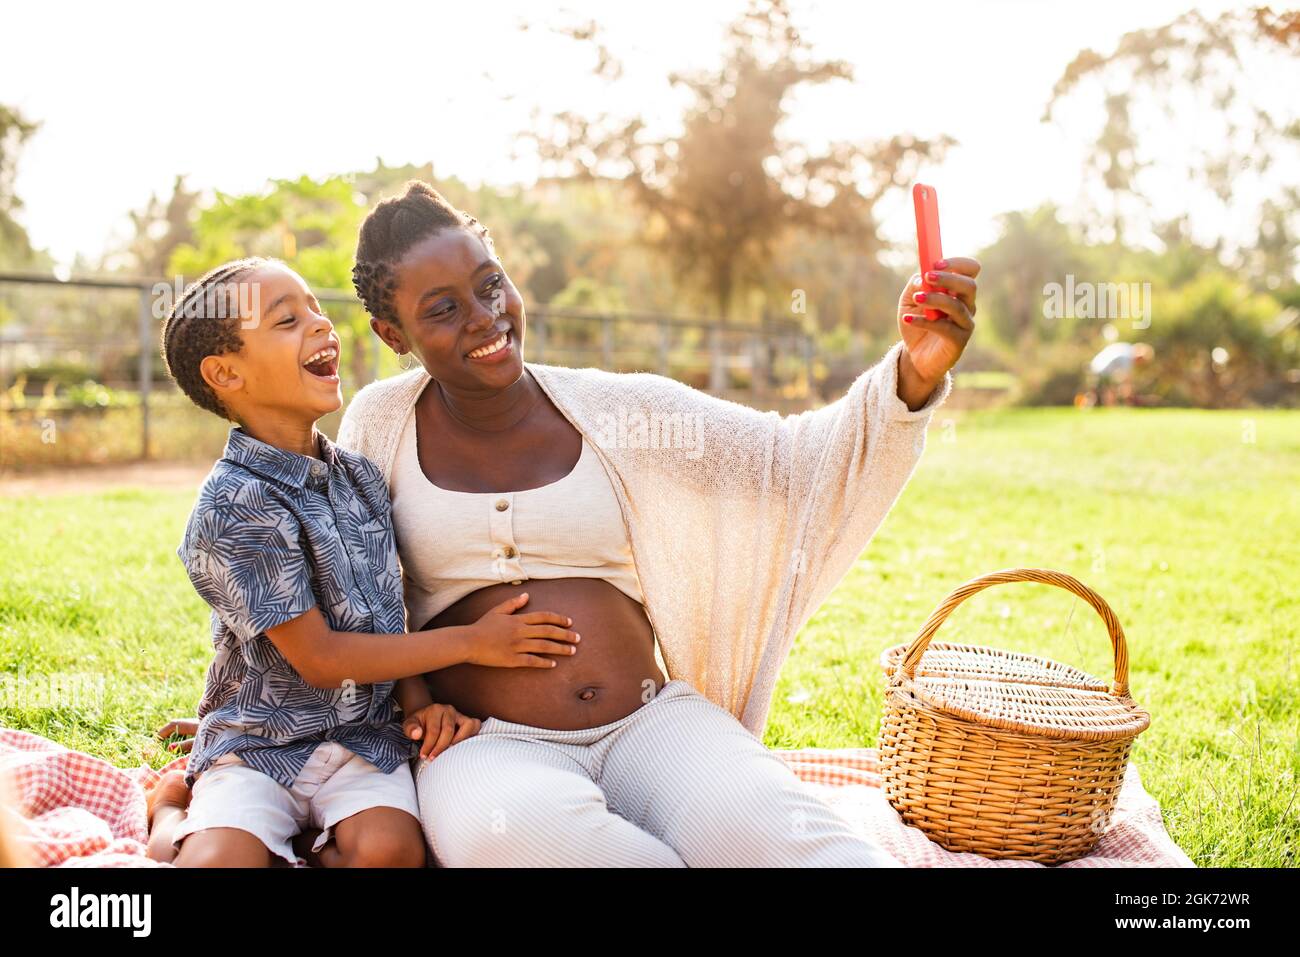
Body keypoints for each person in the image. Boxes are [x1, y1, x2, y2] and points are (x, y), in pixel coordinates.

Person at [335, 181, 979, 866]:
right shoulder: (379, 424)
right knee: (527, 841)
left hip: (650, 723)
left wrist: (915, 369)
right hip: (485, 746)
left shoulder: (621, 409)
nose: (484, 316)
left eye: (490, 285)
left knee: (816, 851)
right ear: (391, 333)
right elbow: (353, 594)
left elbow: (789, 463)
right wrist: (413, 700)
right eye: (443, 309)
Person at [149, 257, 580, 867]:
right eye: (287, 321)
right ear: (225, 374)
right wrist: (473, 643)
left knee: (391, 854)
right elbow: (323, 659)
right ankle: (169, 807)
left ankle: (299, 846)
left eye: (316, 309)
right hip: (260, 744)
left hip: (362, 743)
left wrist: (417, 701)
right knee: (219, 862)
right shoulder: (233, 503)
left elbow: (385, 614)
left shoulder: (360, 478)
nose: (322, 326)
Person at [1085, 341, 1153, 407]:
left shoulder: (1127, 347)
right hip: (1101, 370)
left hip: (1095, 366)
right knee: (1108, 393)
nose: (1139, 363)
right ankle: (1109, 411)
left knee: (1095, 394)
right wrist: (1129, 395)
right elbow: (1126, 379)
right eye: (1141, 361)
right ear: (1139, 356)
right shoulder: (1127, 357)